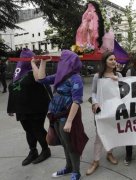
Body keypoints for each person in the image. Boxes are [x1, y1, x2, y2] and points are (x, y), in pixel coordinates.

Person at [31, 50, 88, 180]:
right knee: (64, 143)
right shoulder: (60, 75)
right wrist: (42, 63)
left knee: (71, 144)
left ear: (68, 62)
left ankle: (76, 172)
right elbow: (41, 79)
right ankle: (68, 167)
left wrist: (69, 121)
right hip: (55, 116)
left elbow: (77, 101)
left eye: (61, 60)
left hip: (66, 117)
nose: (59, 62)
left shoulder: (76, 78)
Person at [7, 48, 51, 166]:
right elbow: (13, 89)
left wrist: (51, 104)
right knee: (28, 130)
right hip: (22, 107)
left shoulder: (36, 71)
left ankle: (45, 150)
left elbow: (45, 85)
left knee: (37, 129)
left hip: (37, 107)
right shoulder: (18, 72)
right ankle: (33, 151)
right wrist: (11, 107)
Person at [86, 51, 120, 175]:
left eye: (114, 59)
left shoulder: (119, 75)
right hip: (101, 110)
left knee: (111, 132)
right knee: (99, 135)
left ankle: (109, 154)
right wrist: (95, 103)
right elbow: (93, 92)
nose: (113, 61)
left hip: (114, 110)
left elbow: (126, 89)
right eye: (111, 59)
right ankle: (95, 161)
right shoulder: (97, 76)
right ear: (105, 61)